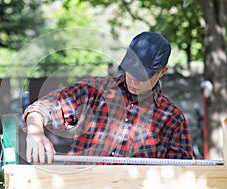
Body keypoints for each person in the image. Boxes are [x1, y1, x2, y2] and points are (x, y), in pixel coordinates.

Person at [22, 31, 194, 164]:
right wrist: (35, 129)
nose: (133, 79)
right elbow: (45, 106)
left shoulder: (172, 119)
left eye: (142, 75)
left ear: (162, 72)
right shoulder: (96, 90)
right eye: (131, 70)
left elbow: (180, 177)